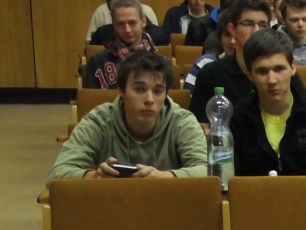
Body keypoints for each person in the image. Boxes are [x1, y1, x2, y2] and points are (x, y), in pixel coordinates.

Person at [51, 53, 206, 185]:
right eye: (139, 89)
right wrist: (94, 177)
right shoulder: (99, 120)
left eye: (158, 91)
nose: (149, 99)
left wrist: (164, 177)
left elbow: (208, 170)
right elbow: (57, 174)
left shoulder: (181, 121)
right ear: (121, 90)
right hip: (112, 205)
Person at [227, 29, 306, 176]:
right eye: (262, 71)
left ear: (293, 67)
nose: (272, 80)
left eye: (279, 69)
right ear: (250, 75)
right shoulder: (235, 120)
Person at [189, 0, 272, 120]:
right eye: (248, 24)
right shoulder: (211, 73)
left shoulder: (282, 71)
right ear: (232, 29)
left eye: (262, 25)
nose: (256, 31)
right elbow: (199, 126)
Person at [83, 0, 159, 89]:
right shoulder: (97, 61)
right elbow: (90, 97)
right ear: (113, 25)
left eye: (132, 23)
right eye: (120, 24)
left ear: (143, 22)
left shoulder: (159, 61)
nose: (127, 30)